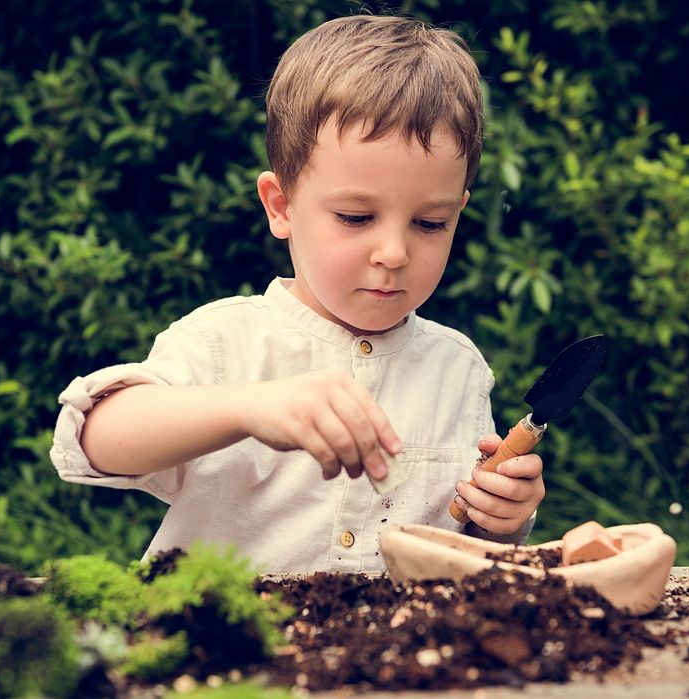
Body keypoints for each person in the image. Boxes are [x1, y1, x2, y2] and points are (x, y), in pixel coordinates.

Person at [50, 14, 545, 574]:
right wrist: (249, 406)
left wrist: (502, 516)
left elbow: (466, 546)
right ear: (280, 206)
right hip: (233, 646)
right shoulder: (226, 343)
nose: (394, 252)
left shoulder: (457, 369)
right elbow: (94, 439)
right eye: (357, 217)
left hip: (399, 653)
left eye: (430, 224)